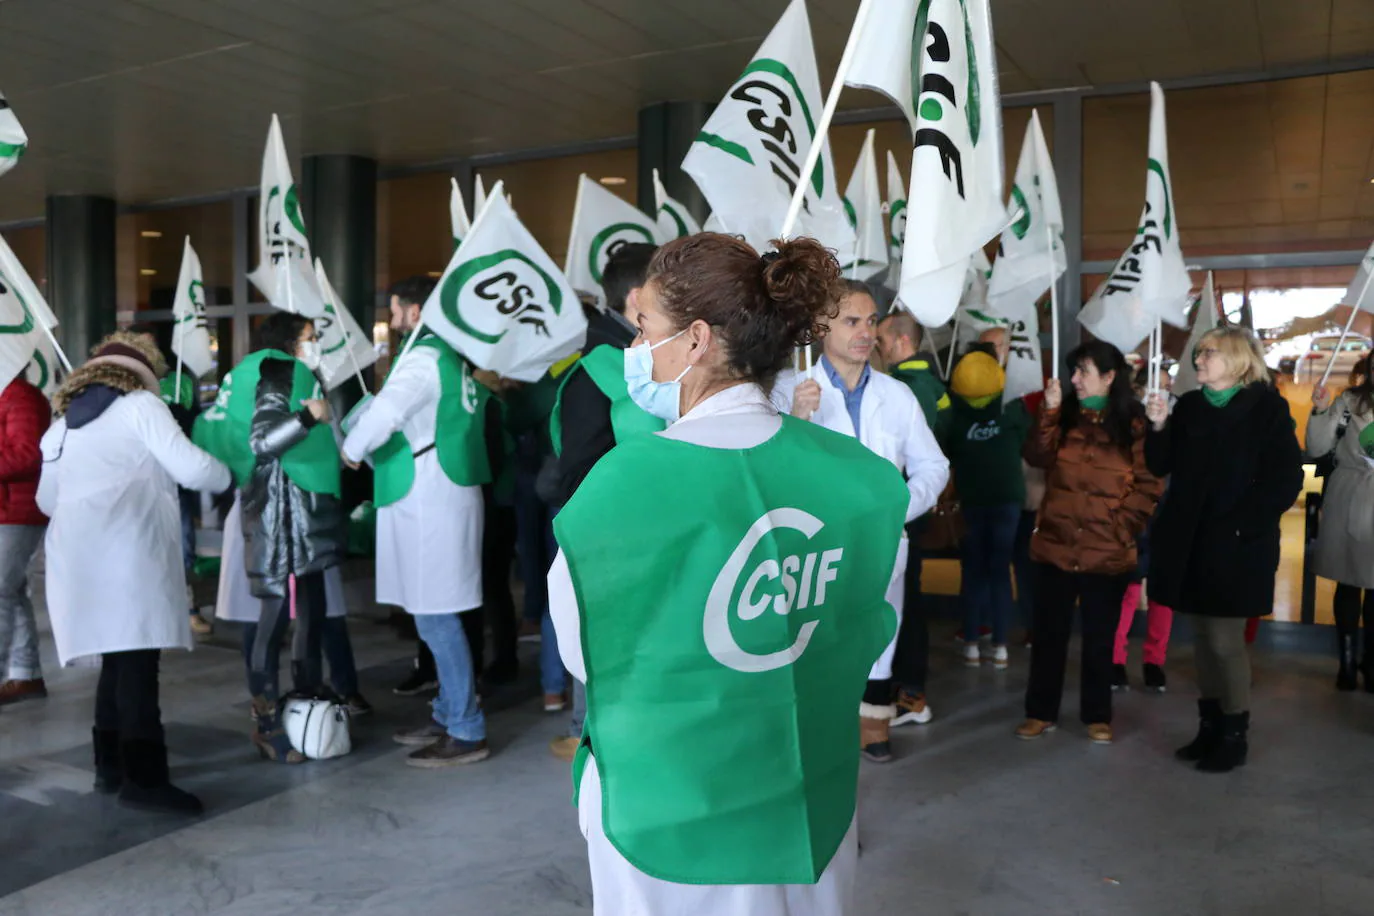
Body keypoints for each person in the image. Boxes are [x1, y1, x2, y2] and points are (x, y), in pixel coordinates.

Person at [550, 233, 909, 915]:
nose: (633, 348)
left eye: (645, 328)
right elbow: (866, 626)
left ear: (694, 339)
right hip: (810, 789)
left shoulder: (623, 484)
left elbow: (582, 649)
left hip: (667, 804)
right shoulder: (860, 479)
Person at [38, 332, 230, 813]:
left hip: (76, 556)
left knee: (117, 659)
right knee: (138, 663)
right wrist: (228, 474)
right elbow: (192, 469)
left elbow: (46, 500)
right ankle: (144, 781)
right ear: (142, 372)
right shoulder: (140, 406)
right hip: (127, 550)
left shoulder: (61, 426)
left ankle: (110, 768)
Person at [781, 280, 949, 762]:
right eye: (852, 321)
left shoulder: (896, 396)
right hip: (819, 545)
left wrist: (899, 505)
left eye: (871, 321)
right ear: (821, 327)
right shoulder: (792, 392)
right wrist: (796, 419)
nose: (865, 332)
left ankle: (874, 724)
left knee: (880, 631)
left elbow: (933, 466)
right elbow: (774, 471)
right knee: (818, 635)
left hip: (881, 539)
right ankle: (823, 730)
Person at [343, 277, 492, 768]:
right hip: (440, 491)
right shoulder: (451, 355)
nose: (394, 318)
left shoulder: (424, 357)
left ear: (416, 310)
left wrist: (351, 447)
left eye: (397, 310)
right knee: (435, 613)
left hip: (430, 497)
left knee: (437, 616)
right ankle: (449, 710)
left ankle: (465, 727)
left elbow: (387, 411)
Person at [1146, 326, 1303, 772]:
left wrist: (1243, 527)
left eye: (1208, 352)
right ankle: (1209, 725)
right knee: (1200, 637)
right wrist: (1159, 424)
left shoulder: (1267, 409)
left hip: (1237, 545)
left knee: (1224, 639)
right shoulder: (1191, 406)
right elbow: (1161, 463)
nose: (1198, 360)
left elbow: (1285, 478)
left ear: (1236, 358)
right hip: (1191, 541)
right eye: (1198, 353)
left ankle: (1235, 732)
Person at [197, 312, 347, 763]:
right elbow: (263, 440)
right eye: (310, 337)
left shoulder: (258, 371)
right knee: (280, 617)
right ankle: (267, 722)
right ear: (290, 342)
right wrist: (309, 414)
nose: (315, 343)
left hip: (294, 511)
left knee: (308, 616)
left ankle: (304, 710)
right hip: (284, 514)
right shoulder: (280, 370)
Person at [546, 241, 662, 761]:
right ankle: (588, 732)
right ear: (639, 299)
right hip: (613, 538)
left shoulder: (637, 356)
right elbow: (579, 472)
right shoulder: (601, 366)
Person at [1018, 341, 1162, 746]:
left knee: (1100, 641)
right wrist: (1047, 411)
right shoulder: (1062, 415)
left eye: (1083, 371)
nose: (1075, 380)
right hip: (1055, 547)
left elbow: (1150, 482)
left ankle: (1098, 716)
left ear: (1110, 376)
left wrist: (1124, 528)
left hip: (1107, 552)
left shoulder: (1135, 423)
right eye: (1074, 371)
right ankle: (1039, 712)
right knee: (1049, 638)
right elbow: (1036, 456)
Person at [874, 307, 948, 727]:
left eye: (881, 339)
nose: (876, 347)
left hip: (907, 507)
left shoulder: (902, 389)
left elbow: (925, 458)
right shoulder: (934, 386)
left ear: (902, 342)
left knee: (908, 604)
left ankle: (911, 693)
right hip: (913, 504)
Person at [937, 350, 1031, 669]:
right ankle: (1001, 646)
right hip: (1008, 500)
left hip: (971, 500)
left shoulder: (954, 414)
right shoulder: (1012, 407)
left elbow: (945, 448)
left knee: (974, 571)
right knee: (1000, 571)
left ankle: (973, 644)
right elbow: (1026, 440)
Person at [1309, 354, 1374, 691]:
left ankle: (1372, 663)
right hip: (1350, 495)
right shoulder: (1348, 403)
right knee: (1348, 582)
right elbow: (1318, 446)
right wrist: (1320, 410)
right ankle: (1347, 662)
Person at [0, 373, 50, 706]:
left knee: (1, 593)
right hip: (8, 509)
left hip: (17, 510)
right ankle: (25, 674)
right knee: (11, 591)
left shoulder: (22, 397)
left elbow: (28, 454)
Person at [158, 357, 213, 637]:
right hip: (145, 483)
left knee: (184, 544)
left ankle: (191, 608)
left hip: (175, 480)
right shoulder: (127, 389)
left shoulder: (182, 383)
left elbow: (193, 424)